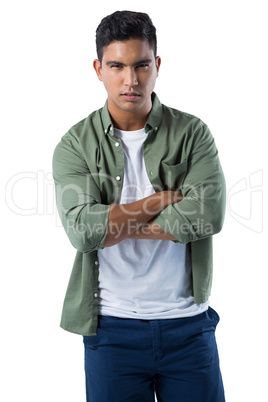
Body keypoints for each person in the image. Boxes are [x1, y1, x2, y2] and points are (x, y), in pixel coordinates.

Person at [53, 10, 226, 402]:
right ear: (99, 69)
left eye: (141, 65)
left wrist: (113, 225)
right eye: (116, 66)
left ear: (157, 65)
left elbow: (208, 215)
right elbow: (82, 232)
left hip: (188, 326)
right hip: (111, 330)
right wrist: (159, 201)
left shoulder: (192, 133)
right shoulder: (75, 144)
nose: (130, 80)